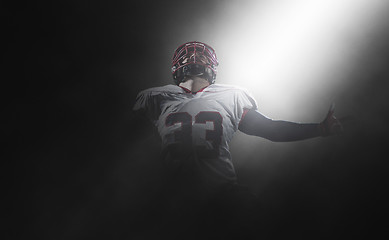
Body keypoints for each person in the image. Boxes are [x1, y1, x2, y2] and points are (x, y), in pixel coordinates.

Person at [132, 41, 343, 237]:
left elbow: (270, 129)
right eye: (190, 55)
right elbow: (126, 143)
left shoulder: (231, 95)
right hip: (175, 198)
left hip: (221, 195)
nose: (195, 57)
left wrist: (320, 128)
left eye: (202, 55)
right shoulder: (156, 97)